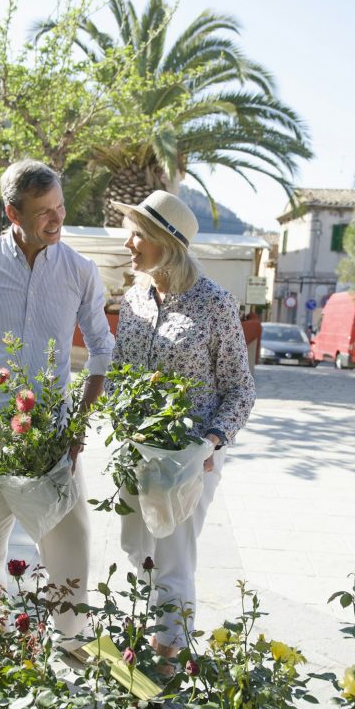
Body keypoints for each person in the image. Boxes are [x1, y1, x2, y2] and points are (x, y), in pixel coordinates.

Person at [0, 159, 114, 646]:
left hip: (54, 432)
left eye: (60, 207)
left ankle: (74, 640)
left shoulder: (80, 269)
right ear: (13, 214)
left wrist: (79, 423)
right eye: (43, 213)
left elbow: (103, 348)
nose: (56, 220)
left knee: (71, 537)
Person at [110, 190, 256, 665]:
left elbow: (240, 388)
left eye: (137, 233)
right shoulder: (134, 298)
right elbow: (119, 372)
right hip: (138, 451)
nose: (128, 241)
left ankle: (166, 654)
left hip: (191, 455)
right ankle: (152, 626)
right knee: (135, 545)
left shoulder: (215, 304)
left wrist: (211, 443)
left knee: (172, 554)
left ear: (164, 243)